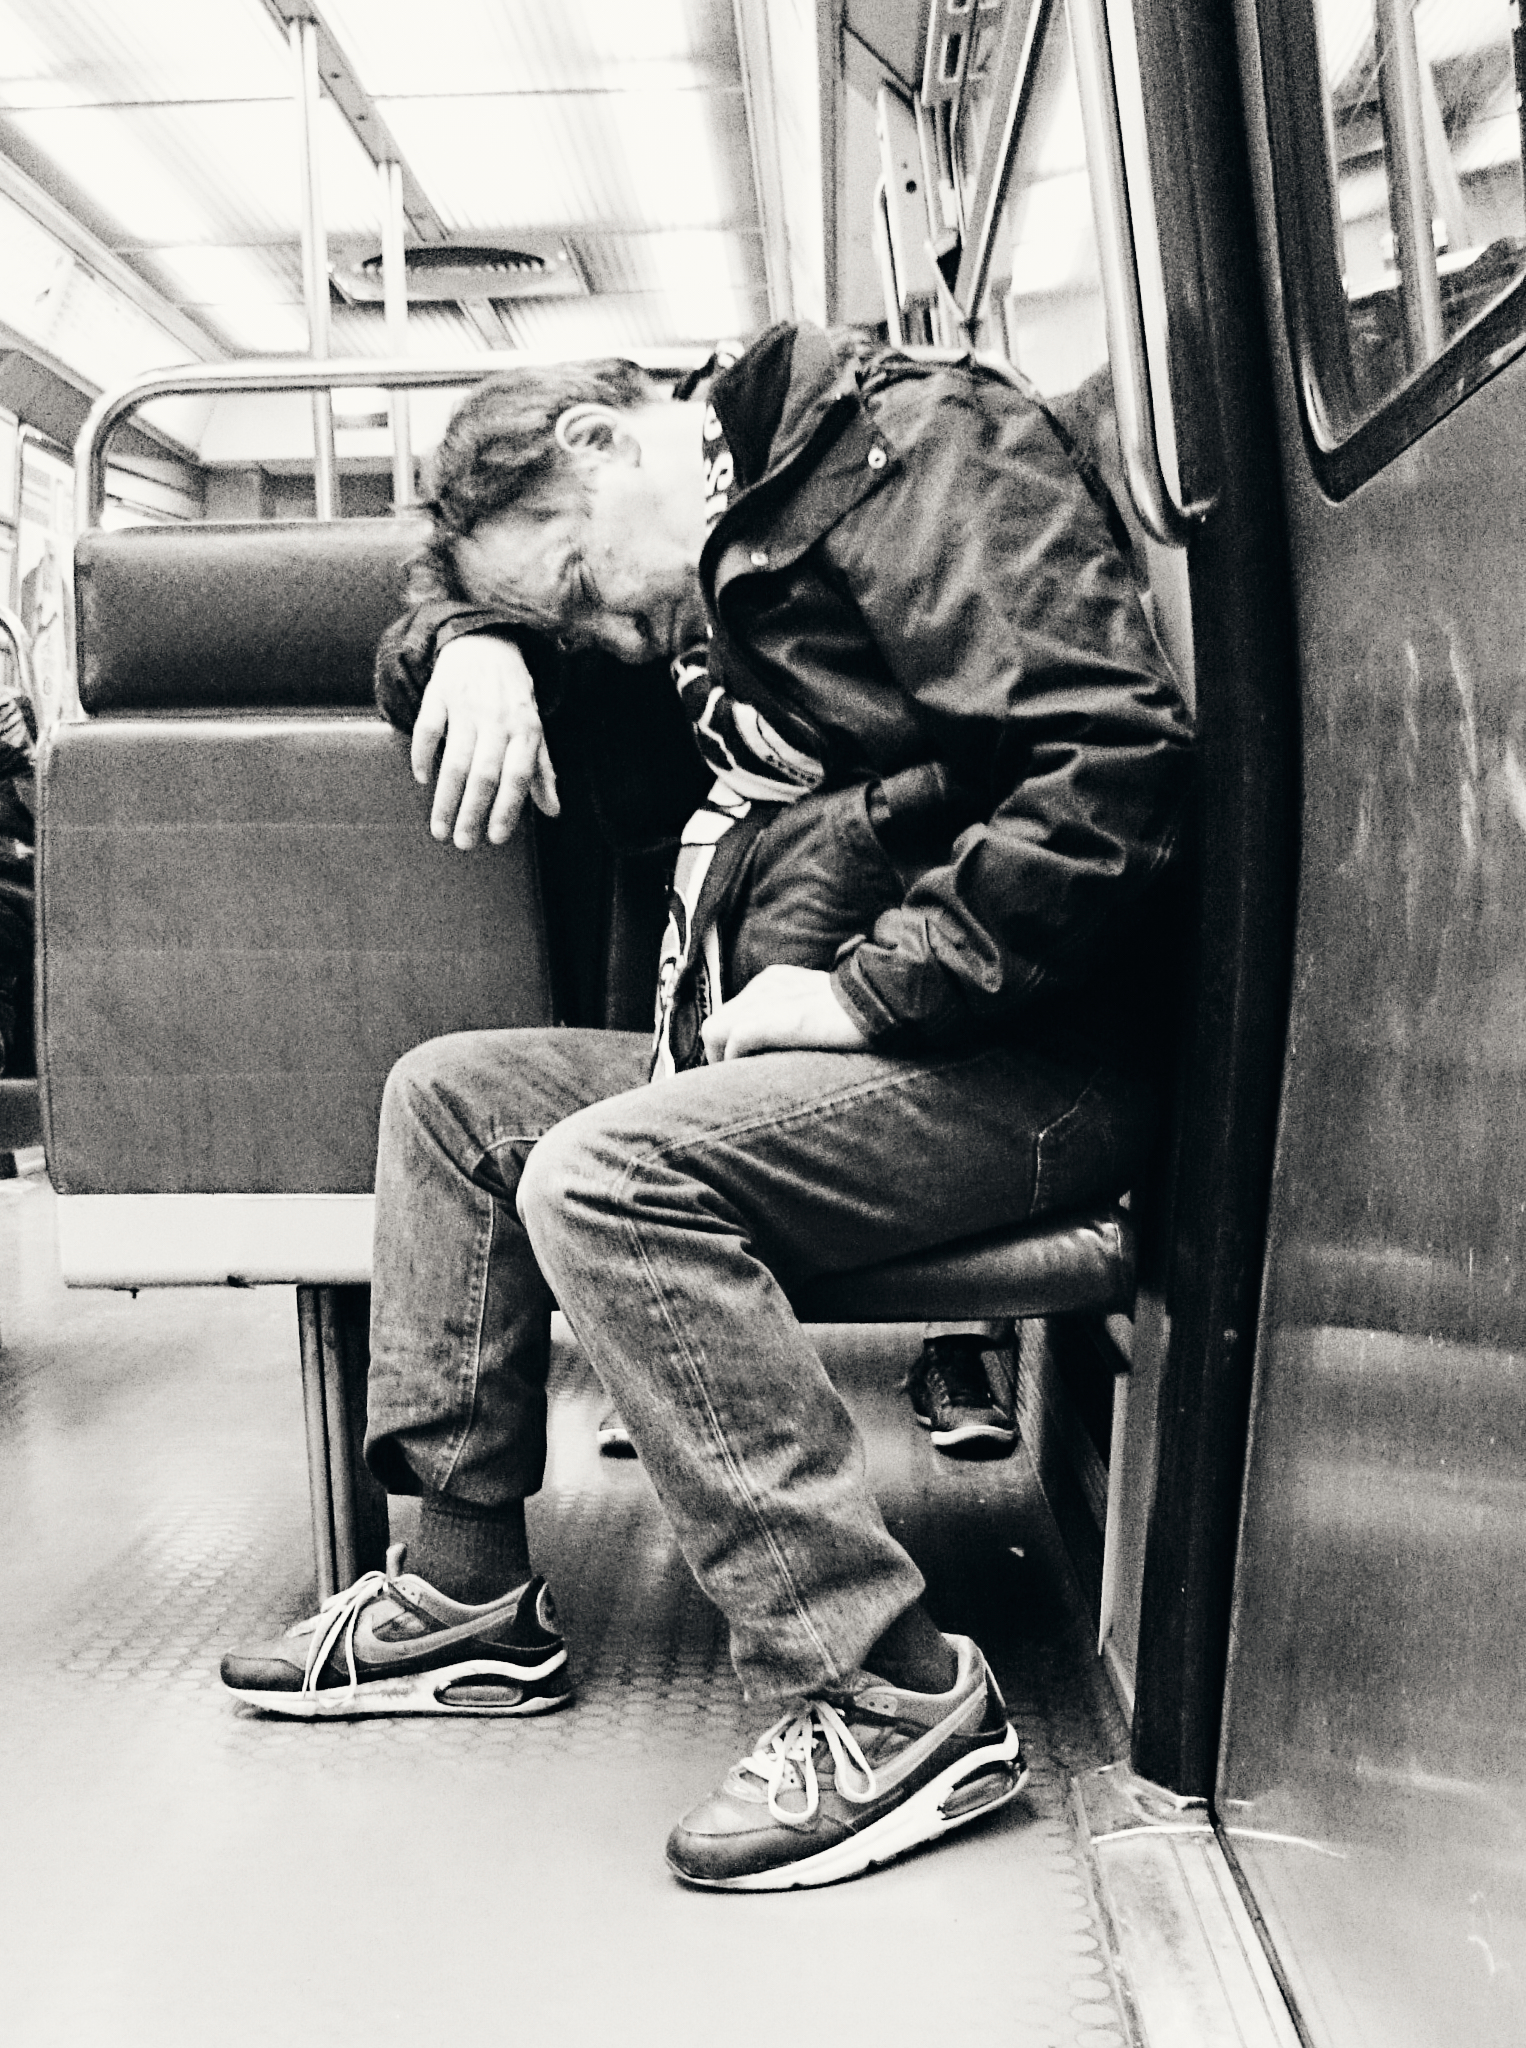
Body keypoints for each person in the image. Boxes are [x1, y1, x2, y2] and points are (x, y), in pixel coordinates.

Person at [221, 322, 1191, 1891]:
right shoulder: (712, 555)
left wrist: (879, 986)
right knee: (455, 1099)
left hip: (1023, 1052)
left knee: (602, 1177)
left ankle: (885, 1693)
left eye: (573, 586)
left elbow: (1110, 770)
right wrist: (473, 632)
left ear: (601, 444)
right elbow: (440, 602)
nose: (594, 636)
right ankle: (463, 1595)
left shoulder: (910, 449)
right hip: (851, 1036)